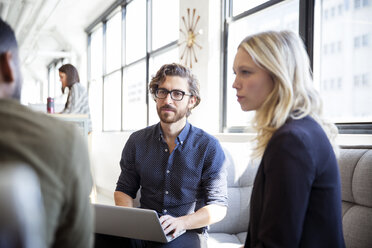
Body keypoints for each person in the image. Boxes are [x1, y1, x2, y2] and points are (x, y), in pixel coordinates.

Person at [232, 30, 345, 247]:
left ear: (278, 75)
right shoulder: (301, 130)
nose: (235, 83)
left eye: (245, 72)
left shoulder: (292, 141)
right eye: (235, 73)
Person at [0, 18, 94, 247]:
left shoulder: (76, 89)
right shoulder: (62, 141)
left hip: (83, 131)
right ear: (8, 65)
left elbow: (74, 112)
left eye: (61, 76)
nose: (60, 80)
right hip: (72, 137)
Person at [112, 63, 228, 248]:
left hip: (187, 231)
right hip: (143, 228)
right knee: (97, 237)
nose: (168, 100)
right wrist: (130, 223)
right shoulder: (137, 141)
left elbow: (218, 207)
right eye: (162, 92)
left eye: (177, 94)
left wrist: (182, 222)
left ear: (192, 101)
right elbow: (124, 190)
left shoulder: (209, 147)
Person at [59, 63, 92, 133]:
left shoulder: (76, 88)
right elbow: (70, 110)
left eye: (62, 77)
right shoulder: (74, 88)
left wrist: (55, 117)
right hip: (81, 128)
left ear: (69, 76)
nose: (60, 80)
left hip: (83, 129)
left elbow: (72, 112)